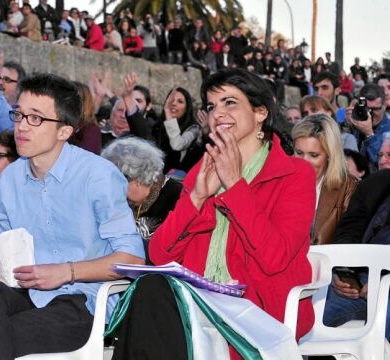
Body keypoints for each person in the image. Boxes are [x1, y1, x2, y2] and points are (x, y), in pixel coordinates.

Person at [110, 69, 316, 359]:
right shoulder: (200, 171)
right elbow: (159, 253)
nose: (218, 113)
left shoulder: (296, 174)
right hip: (199, 301)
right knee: (151, 288)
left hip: (258, 309)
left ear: (260, 112)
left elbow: (274, 258)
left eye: (229, 102)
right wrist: (196, 197)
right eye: (211, 106)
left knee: (153, 300)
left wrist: (235, 186)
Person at [0, 73, 145, 360]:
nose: (21, 126)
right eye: (19, 115)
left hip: (83, 301)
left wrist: (66, 271)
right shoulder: (10, 178)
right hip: (27, 292)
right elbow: (12, 253)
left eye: (35, 118)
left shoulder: (97, 175)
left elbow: (133, 260)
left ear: (64, 130)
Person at [322, 169, 390, 341]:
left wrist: (384, 281)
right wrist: (341, 271)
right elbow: (349, 230)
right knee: (308, 315)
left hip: (384, 285)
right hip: (360, 281)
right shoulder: (376, 183)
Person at [101, 137, 182, 250]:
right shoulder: (124, 199)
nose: (112, 190)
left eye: (117, 184)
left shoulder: (176, 199)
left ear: (138, 180)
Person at [292, 114, 358, 244]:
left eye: (314, 155)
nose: (304, 162)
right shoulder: (280, 182)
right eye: (299, 153)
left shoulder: (348, 187)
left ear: (330, 155)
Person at [152, 86, 200, 173]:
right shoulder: (157, 126)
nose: (174, 103)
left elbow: (177, 145)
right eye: (171, 100)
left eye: (180, 101)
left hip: (176, 178)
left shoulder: (193, 128)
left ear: (187, 108)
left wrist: (169, 116)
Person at [347, 83, 390, 169]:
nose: (370, 114)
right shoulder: (357, 120)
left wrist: (369, 134)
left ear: (385, 106)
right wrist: (347, 126)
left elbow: (382, 164)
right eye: (366, 109)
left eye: (375, 109)